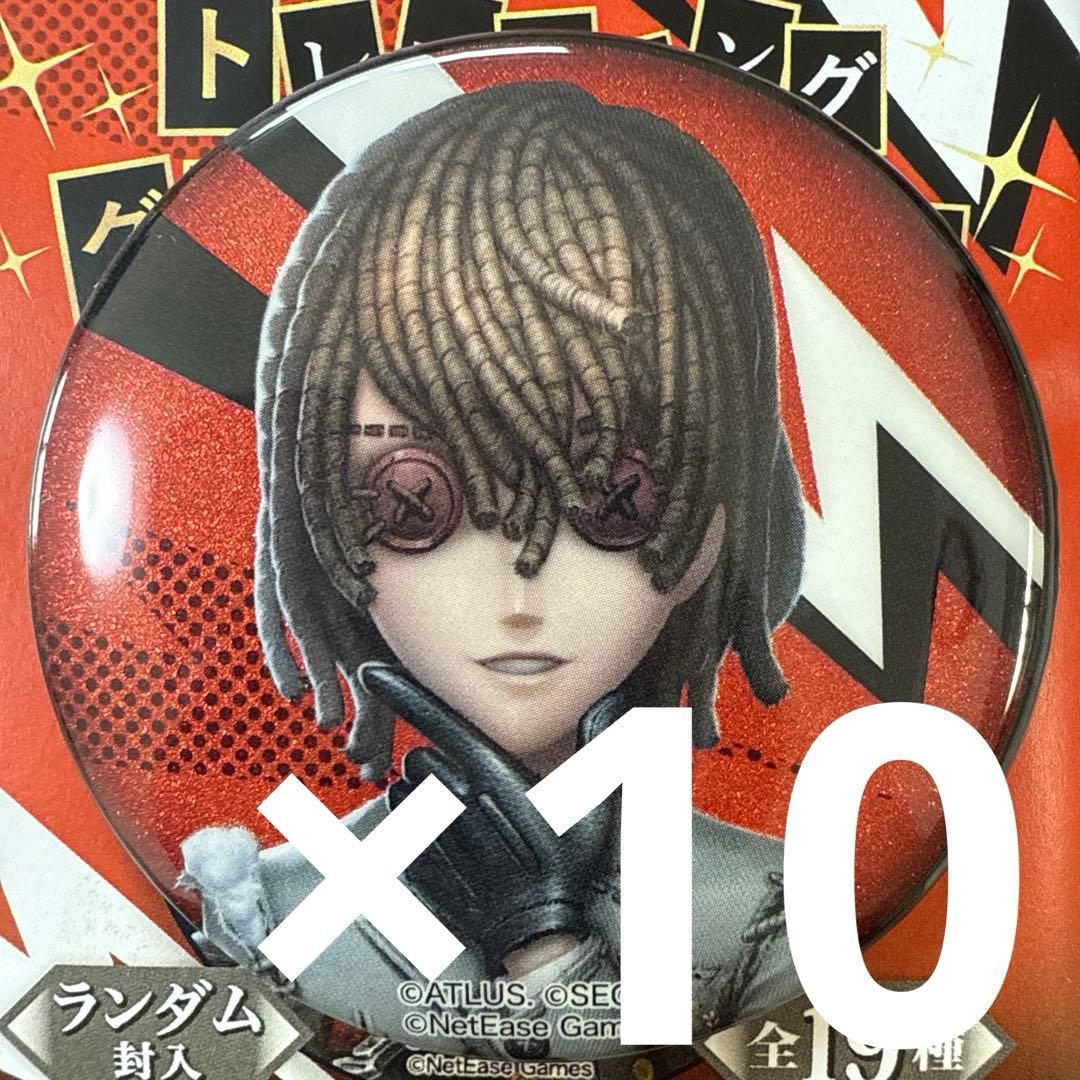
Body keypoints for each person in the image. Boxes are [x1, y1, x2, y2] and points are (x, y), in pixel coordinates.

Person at [179, 79, 806, 1060]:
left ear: (714, 524)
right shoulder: (274, 910)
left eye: (616, 500)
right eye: (414, 502)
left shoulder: (775, 917)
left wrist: (547, 945)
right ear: (325, 519)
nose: (517, 594)